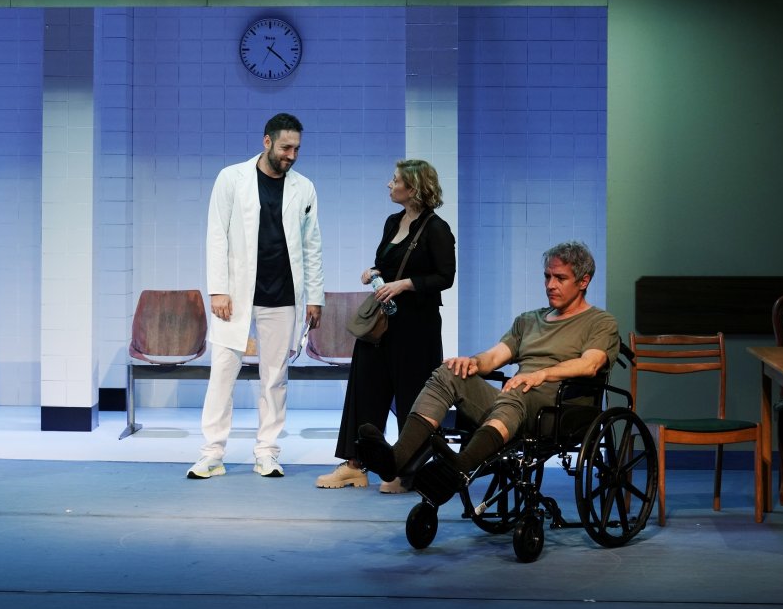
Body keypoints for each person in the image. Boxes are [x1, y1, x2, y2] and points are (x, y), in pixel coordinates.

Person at [356, 241, 618, 494]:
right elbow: (493, 358)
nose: (550, 285)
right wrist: (472, 362)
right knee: (449, 372)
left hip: (558, 413)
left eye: (560, 278)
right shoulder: (528, 320)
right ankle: (397, 460)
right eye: (547, 277)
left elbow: (590, 364)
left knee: (517, 389)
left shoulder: (600, 322)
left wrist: (541, 374)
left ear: (583, 281)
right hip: (513, 404)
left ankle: (461, 466)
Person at [188, 113, 324, 480]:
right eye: (285, 147)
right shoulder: (231, 178)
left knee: (275, 378)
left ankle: (267, 452)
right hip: (235, 296)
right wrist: (218, 289)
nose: (291, 155)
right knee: (222, 373)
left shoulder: (304, 188)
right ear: (267, 142)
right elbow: (216, 235)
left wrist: (315, 297)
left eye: (296, 149)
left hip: (282, 295)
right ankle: (212, 453)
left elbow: (311, 246)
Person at [316, 160, 456, 492]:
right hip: (382, 321)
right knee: (365, 387)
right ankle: (354, 465)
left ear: (414, 188)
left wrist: (405, 284)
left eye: (395, 180)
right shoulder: (393, 221)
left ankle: (408, 470)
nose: (389, 185)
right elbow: (387, 264)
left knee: (412, 396)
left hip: (416, 325)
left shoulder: (436, 228)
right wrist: (374, 272)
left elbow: (444, 277)